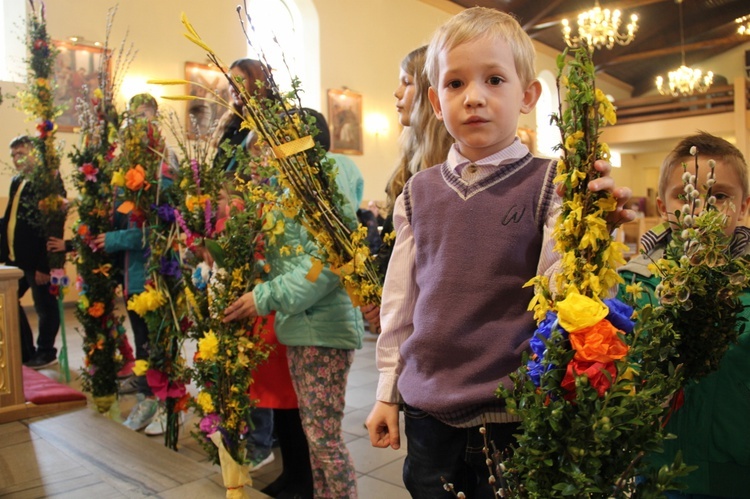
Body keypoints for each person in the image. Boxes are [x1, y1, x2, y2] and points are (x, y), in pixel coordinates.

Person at [364, 7, 634, 498]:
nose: (474, 98)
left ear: (527, 95)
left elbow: (563, 294)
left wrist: (594, 228)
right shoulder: (416, 193)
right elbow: (400, 305)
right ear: (435, 101)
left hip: (515, 411)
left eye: (493, 79)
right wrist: (388, 392)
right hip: (428, 411)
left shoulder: (550, 183)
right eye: (455, 84)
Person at [223, 107, 365, 498]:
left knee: (324, 440)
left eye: (275, 140)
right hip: (304, 326)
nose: (268, 151)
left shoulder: (323, 189)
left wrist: (265, 295)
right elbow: (297, 256)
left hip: (323, 329)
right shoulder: (298, 191)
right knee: (315, 435)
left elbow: (323, 266)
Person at [618, 132, 750, 498]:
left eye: (720, 196)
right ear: (663, 206)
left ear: (743, 206)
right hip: (655, 474)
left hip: (738, 476)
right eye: (685, 195)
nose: (701, 208)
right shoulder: (631, 283)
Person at [361, 45, 454, 334]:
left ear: (429, 92)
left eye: (406, 82)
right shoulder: (408, 164)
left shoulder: (453, 164)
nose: (397, 92)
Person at [93, 93, 171, 434]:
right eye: (134, 120)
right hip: (132, 275)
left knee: (156, 342)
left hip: (155, 276)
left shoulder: (162, 173)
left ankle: (166, 402)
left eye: (147, 119)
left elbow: (155, 232)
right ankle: (148, 397)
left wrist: (112, 240)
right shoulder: (127, 174)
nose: (140, 127)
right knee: (142, 340)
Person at [1, 135, 65, 368]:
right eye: (13, 156)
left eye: (21, 154)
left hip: (38, 259)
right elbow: (11, 217)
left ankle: (46, 351)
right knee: (7, 300)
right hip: (15, 257)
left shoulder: (47, 181)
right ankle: (25, 351)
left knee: (44, 306)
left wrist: (45, 265)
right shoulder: (17, 180)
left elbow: (53, 223)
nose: (17, 160)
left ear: (34, 154)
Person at [212, 58, 274, 172]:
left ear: (257, 81)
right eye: (231, 82)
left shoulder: (274, 120)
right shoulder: (231, 120)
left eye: (240, 80)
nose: (233, 88)